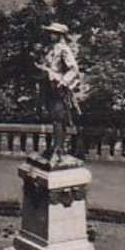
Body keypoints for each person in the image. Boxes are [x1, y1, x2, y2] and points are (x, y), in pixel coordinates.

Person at [35, 22, 87, 161]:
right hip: (48, 85)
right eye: (50, 32)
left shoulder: (64, 49)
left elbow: (73, 69)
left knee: (59, 118)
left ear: (60, 35)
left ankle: (59, 149)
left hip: (58, 87)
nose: (51, 35)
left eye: (54, 33)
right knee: (53, 117)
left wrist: (64, 81)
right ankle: (56, 147)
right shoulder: (49, 49)